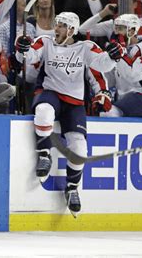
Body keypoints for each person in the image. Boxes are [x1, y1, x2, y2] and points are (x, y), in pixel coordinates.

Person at [15, 12, 123, 217]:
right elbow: (29, 57)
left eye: (62, 26)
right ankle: (44, 154)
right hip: (50, 93)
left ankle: (72, 187)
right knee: (44, 111)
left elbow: (102, 64)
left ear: (72, 30)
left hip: (74, 103)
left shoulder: (85, 47)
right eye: (56, 25)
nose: (56, 29)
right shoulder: (45, 42)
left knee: (79, 148)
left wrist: (113, 56)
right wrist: (22, 48)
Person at [79, 8, 142, 117]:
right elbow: (110, 79)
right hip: (124, 100)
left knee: (108, 113)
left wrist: (119, 54)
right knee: (103, 110)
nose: (115, 32)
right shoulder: (118, 51)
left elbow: (133, 75)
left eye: (120, 28)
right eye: (115, 28)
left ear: (132, 31)